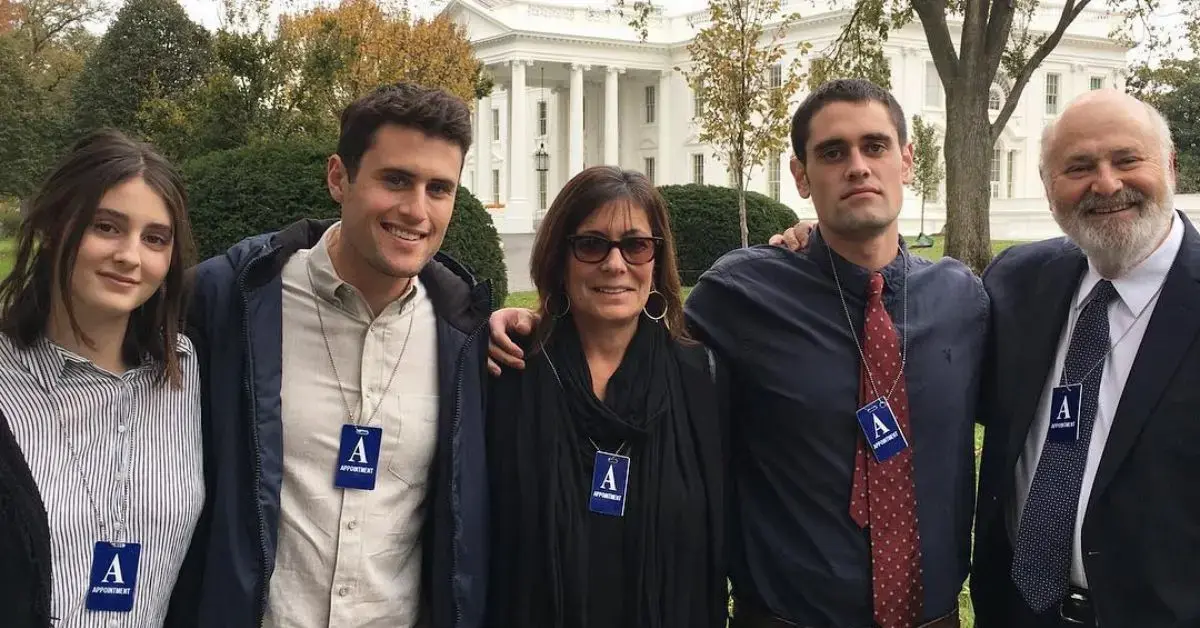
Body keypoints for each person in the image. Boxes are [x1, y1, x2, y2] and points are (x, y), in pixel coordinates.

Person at [489, 78, 986, 627]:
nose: (858, 166)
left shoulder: (965, 300)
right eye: (832, 152)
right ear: (801, 175)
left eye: (875, 146)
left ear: (907, 161)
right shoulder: (743, 293)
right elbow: (637, 326)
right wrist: (539, 321)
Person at [182, 82, 492, 628]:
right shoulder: (231, 302)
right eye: (395, 180)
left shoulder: (464, 335)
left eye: (439, 188)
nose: (416, 210)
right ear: (338, 178)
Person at [971, 89, 1200, 627]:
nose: (1106, 183)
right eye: (1079, 167)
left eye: (1127, 159)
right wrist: (825, 255)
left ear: (1169, 166)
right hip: (1017, 611)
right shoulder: (1015, 283)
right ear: (1050, 190)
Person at [486, 165, 729, 628]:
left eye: (636, 245)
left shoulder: (702, 379)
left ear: (657, 259)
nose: (615, 265)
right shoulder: (508, 373)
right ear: (560, 256)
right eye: (592, 244)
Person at [0, 128, 202, 626]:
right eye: (106, 227)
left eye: (154, 238)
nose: (130, 256)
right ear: (53, 227)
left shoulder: (185, 373)